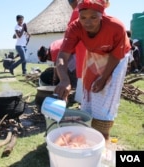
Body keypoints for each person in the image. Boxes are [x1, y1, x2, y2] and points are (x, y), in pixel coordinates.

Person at [54, 0, 131, 140]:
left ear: (101, 15)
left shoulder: (116, 26)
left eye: (93, 17)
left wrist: (103, 79)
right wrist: (64, 80)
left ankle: (103, 136)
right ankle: (88, 129)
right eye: (83, 17)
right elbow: (62, 55)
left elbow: (116, 56)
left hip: (117, 56)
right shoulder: (75, 27)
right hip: (95, 52)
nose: (87, 23)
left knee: (107, 93)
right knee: (89, 90)